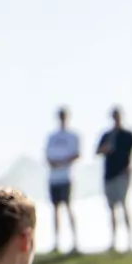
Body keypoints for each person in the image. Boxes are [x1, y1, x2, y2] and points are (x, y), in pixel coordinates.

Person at [96, 107, 132, 252]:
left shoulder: (128, 135)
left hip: (122, 175)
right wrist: (105, 149)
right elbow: (98, 151)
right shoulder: (107, 135)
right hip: (108, 175)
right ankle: (113, 242)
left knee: (123, 205)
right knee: (111, 208)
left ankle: (130, 241)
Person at [45, 107, 80, 253]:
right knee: (55, 209)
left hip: (66, 177)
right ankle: (56, 242)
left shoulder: (73, 136)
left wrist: (62, 162)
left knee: (68, 206)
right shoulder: (52, 137)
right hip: (54, 178)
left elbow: (76, 154)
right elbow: (47, 156)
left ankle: (75, 241)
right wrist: (54, 163)